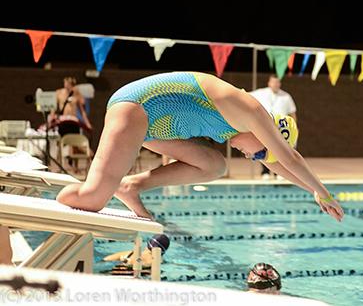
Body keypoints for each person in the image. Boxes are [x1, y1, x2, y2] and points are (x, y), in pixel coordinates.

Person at [56, 72, 343, 222]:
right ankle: (42, 207)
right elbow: (289, 158)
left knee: (215, 165)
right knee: (92, 198)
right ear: (267, 135)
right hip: (136, 109)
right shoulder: (250, 110)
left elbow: (279, 164)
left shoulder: (240, 129)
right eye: (259, 153)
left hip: (154, 126)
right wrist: (327, 193)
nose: (251, 156)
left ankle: (130, 187)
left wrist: (314, 191)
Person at [250, 75, 297, 180]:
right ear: (269, 83)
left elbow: (292, 113)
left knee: (281, 148)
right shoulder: (260, 93)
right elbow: (245, 96)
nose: (276, 84)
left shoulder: (286, 96)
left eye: (277, 82)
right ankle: (265, 171)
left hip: (281, 126)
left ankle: (279, 173)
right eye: (274, 82)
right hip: (266, 125)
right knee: (265, 147)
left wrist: (295, 127)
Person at [104, 234, 170, 275]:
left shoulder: (129, 253)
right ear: (163, 251)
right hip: (143, 273)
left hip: (122, 268)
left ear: (148, 243)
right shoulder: (159, 260)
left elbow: (106, 259)